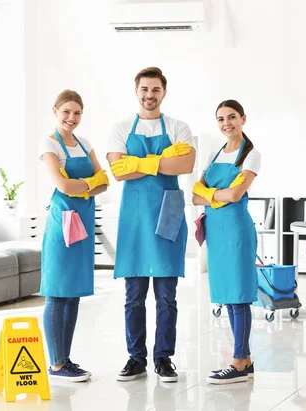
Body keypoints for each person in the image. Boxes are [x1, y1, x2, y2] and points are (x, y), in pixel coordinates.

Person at [107, 67, 196, 382]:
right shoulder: (120, 128)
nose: (149, 95)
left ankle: (163, 358)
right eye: (144, 89)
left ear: (164, 93)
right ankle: (136, 358)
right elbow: (118, 171)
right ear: (136, 91)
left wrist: (140, 162)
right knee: (133, 295)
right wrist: (161, 161)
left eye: (155, 90)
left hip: (167, 213)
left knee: (166, 296)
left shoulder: (177, 127)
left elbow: (185, 164)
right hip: (134, 219)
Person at [39, 90, 109, 382]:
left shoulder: (85, 143)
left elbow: (104, 183)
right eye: (66, 112)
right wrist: (89, 183)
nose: (71, 118)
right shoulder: (49, 145)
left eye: (77, 113)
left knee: (74, 295)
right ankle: (56, 364)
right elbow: (63, 187)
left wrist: (84, 184)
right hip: (62, 225)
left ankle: (64, 360)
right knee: (57, 293)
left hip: (83, 223)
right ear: (55, 110)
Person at [192, 99, 261, 384]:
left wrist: (211, 195)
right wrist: (215, 194)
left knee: (239, 296)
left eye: (232, 117)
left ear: (243, 118)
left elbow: (234, 195)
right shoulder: (215, 153)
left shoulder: (251, 155)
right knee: (228, 297)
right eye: (221, 119)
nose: (226, 123)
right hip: (216, 233)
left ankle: (238, 361)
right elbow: (194, 195)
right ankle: (243, 361)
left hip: (235, 230)